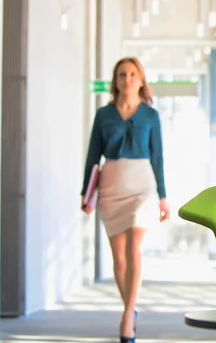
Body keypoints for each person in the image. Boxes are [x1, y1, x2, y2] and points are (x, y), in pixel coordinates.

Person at [81, 57, 170, 343]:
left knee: (134, 250)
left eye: (133, 74)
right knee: (118, 258)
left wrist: (163, 196)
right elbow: (93, 156)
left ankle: (127, 316)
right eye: (122, 74)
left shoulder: (150, 116)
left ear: (141, 80)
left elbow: (158, 158)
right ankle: (129, 310)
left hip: (142, 186)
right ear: (115, 80)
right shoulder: (103, 115)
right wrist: (86, 194)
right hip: (111, 186)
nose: (127, 79)